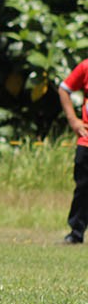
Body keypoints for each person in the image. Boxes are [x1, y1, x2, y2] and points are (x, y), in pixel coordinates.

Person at [58, 58, 88, 244]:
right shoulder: (86, 66)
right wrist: (73, 120)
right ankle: (76, 233)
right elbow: (64, 89)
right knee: (84, 189)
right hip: (86, 141)